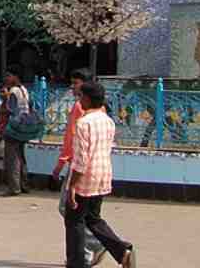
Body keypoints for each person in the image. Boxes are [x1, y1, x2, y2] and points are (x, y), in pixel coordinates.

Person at [64, 81, 135, 268]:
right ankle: (122, 251)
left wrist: (72, 186)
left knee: (74, 221)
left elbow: (81, 159)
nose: (79, 100)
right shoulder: (108, 121)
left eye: (80, 96)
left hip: (85, 178)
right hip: (103, 174)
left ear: (86, 99)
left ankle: (76, 263)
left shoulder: (83, 123)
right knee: (93, 218)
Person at [53, 70, 106, 266]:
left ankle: (91, 246)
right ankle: (88, 249)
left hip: (78, 166)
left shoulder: (81, 109)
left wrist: (61, 162)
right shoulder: (101, 113)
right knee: (87, 214)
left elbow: (73, 139)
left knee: (69, 209)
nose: (73, 87)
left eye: (76, 83)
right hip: (95, 169)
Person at [0, 65, 32, 196]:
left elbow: (10, 109)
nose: (7, 78)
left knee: (12, 158)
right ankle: (24, 184)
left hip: (14, 127)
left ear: (15, 77)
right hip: (24, 126)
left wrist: (1, 108)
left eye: (9, 75)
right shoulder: (24, 90)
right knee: (21, 156)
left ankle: (14, 187)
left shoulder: (13, 91)